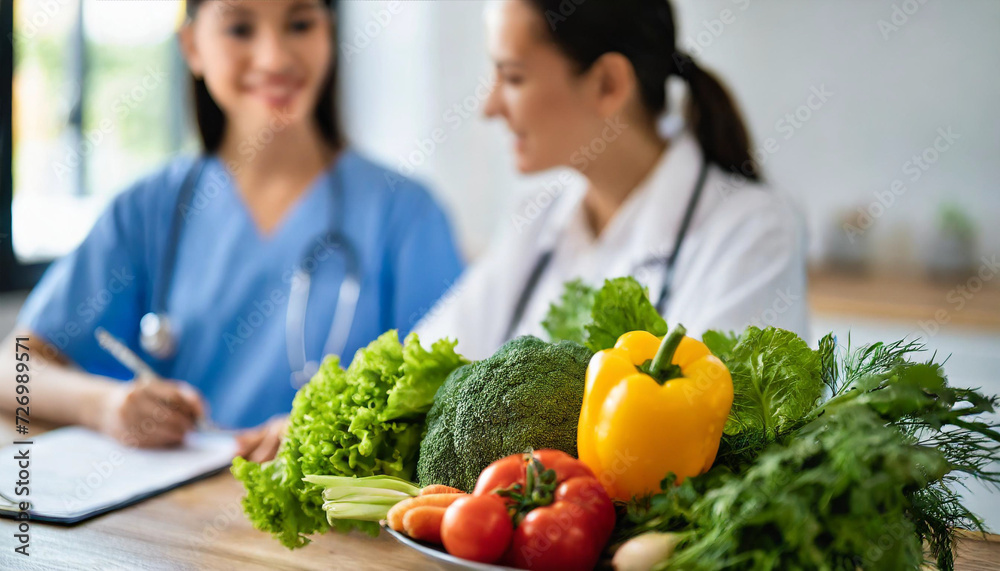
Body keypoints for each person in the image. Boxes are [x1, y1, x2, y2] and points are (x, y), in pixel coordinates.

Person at [0, 0, 463, 461]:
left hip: (332, 528)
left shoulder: (406, 214)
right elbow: (12, 368)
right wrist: (104, 405)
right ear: (192, 46)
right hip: (165, 520)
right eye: (240, 29)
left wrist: (330, 431)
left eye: (300, 24)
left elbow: (453, 396)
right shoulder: (148, 209)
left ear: (329, 35)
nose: (274, 58)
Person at [416, 0, 808, 360]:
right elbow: (429, 358)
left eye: (514, 78)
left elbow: (711, 420)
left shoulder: (754, 230)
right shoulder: (534, 218)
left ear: (608, 84)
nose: (489, 107)